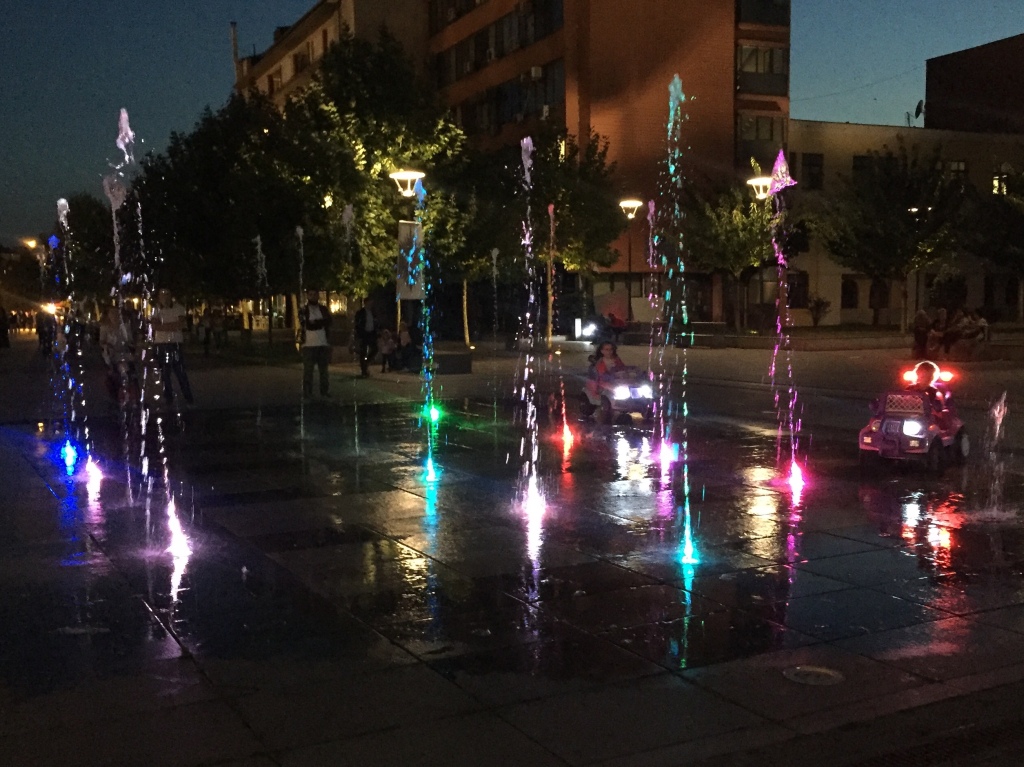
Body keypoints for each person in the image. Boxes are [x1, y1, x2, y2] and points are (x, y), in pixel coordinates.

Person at [151, 288, 194, 406]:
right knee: (165, 372)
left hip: (175, 343)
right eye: (162, 295)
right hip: (161, 343)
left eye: (167, 294)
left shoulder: (179, 308)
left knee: (180, 371)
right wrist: (172, 326)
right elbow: (155, 326)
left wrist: (163, 326)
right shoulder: (156, 309)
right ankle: (168, 398)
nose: (164, 297)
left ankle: (188, 397)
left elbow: (180, 324)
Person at [299, 288, 332, 398]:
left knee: (324, 370)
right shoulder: (304, 310)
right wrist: (320, 323)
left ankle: (324, 391)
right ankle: (308, 393)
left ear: (318, 296)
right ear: (307, 296)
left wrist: (317, 322)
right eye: (310, 294)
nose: (313, 297)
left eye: (315, 294)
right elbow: (307, 324)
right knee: (308, 370)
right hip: (308, 344)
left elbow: (329, 321)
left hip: (322, 343)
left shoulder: (323, 309)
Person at [353, 297, 378, 378]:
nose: (371, 304)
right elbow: (357, 324)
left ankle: (366, 363)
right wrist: (358, 333)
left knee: (375, 349)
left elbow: (376, 322)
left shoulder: (373, 312)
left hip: (371, 333)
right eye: (370, 303)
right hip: (364, 334)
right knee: (363, 352)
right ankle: (364, 371)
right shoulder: (361, 312)